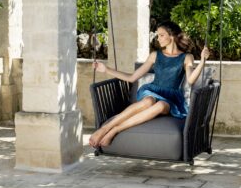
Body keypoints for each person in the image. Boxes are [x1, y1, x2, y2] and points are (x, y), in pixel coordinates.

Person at [89, 20, 210, 148]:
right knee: (148, 101)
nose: (158, 39)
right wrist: (106, 69)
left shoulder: (186, 57)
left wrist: (202, 61)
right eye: (158, 35)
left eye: (161, 35)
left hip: (171, 98)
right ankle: (105, 128)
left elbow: (190, 80)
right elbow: (132, 78)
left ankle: (115, 130)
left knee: (161, 105)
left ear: (172, 36)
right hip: (152, 91)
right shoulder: (155, 55)